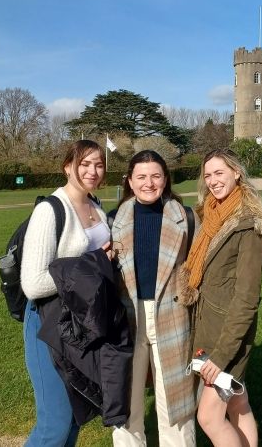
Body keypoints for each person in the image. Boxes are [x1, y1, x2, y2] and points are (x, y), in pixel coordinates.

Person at [179, 148, 262, 447]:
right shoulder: (212, 214)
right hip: (208, 328)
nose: (213, 181)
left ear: (236, 172)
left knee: (209, 418)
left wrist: (223, 353)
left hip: (228, 336)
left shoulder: (249, 224)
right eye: (208, 175)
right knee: (237, 403)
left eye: (219, 173)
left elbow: (247, 298)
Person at [21, 139, 111, 447]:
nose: (92, 171)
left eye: (99, 164)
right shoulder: (51, 210)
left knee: (75, 417)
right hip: (49, 324)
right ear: (67, 167)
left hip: (83, 325)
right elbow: (33, 283)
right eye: (84, 164)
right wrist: (96, 263)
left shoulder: (96, 206)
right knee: (54, 426)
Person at [111, 150, 197, 447]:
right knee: (126, 402)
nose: (149, 183)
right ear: (130, 182)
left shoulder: (185, 218)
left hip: (172, 316)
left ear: (166, 179)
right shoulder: (113, 220)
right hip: (126, 319)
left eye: (156, 176)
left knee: (176, 401)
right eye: (142, 177)